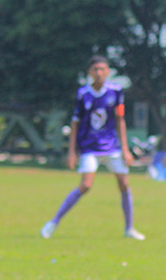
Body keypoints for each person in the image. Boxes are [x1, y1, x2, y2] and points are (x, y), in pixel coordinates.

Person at [41, 55, 144, 240]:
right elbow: (75, 123)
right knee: (86, 185)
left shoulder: (116, 91)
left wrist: (125, 148)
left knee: (124, 183)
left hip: (112, 147)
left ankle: (129, 228)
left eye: (102, 69)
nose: (99, 73)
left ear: (108, 72)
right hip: (89, 147)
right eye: (95, 70)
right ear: (90, 72)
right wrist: (71, 152)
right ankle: (53, 223)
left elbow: (120, 120)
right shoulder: (83, 94)